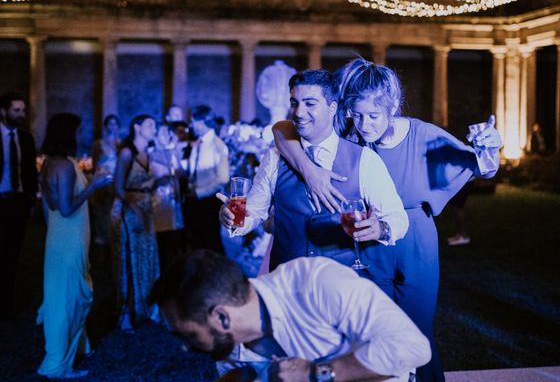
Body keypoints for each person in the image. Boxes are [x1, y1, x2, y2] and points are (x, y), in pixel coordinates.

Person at [272, 59, 501, 382]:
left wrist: (491, 146)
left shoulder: (423, 135)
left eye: (373, 116)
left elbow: (483, 166)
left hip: (416, 246)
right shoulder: (348, 133)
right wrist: (310, 173)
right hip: (366, 243)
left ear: (392, 106)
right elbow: (281, 130)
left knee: (417, 336)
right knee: (373, 337)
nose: (364, 125)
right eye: (357, 115)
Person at [219, 69, 408, 293]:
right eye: (294, 103)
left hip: (341, 287)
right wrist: (234, 220)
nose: (298, 112)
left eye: (310, 104)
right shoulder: (274, 158)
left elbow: (398, 218)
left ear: (332, 108)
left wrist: (381, 229)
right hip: (286, 284)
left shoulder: (364, 160)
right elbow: (254, 214)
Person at [149, 250, 431, 382]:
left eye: (189, 334)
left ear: (222, 317)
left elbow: (413, 347)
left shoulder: (314, 282)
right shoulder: (226, 345)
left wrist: (317, 374)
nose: (185, 346)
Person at [37, 113, 113, 379]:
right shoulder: (66, 166)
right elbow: (67, 208)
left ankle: (78, 346)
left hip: (59, 236)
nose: (81, 135)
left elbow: (51, 207)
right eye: (78, 130)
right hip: (68, 236)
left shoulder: (49, 163)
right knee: (71, 296)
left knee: (63, 293)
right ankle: (59, 364)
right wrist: (94, 185)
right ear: (68, 133)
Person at [0, 92, 38, 326]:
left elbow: (30, 171)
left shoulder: (26, 138)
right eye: (16, 110)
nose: (21, 115)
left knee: (12, 256)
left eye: (23, 110)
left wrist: (30, 198)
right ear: (3, 111)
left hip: (18, 202)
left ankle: (5, 309)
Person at [112, 114, 161, 330]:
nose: (154, 127)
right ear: (137, 127)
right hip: (132, 211)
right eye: (150, 124)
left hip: (148, 209)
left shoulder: (147, 153)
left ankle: (147, 307)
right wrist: (135, 208)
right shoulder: (126, 153)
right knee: (131, 259)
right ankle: (127, 312)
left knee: (148, 258)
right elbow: (118, 188)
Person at [182, 105, 230, 254]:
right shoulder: (198, 144)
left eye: (192, 121)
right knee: (196, 242)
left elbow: (222, 178)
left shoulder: (217, 145)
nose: (190, 125)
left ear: (202, 121)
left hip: (208, 202)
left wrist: (199, 192)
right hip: (194, 200)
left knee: (210, 242)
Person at [150, 122, 185, 273]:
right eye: (163, 133)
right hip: (160, 204)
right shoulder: (152, 154)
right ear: (156, 137)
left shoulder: (173, 152)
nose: (167, 136)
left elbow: (181, 173)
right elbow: (158, 176)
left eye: (168, 133)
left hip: (173, 202)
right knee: (163, 243)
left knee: (174, 241)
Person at [90, 114, 121, 255]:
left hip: (116, 180)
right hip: (102, 180)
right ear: (106, 126)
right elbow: (95, 163)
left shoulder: (121, 143)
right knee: (101, 213)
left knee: (115, 212)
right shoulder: (99, 143)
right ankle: (101, 246)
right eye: (110, 123)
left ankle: (114, 245)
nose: (112, 126)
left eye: (115, 124)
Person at [446, 181, 473, 246]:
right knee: (454, 206)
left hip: (464, 182)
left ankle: (463, 236)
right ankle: (459, 235)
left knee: (457, 207)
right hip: (462, 182)